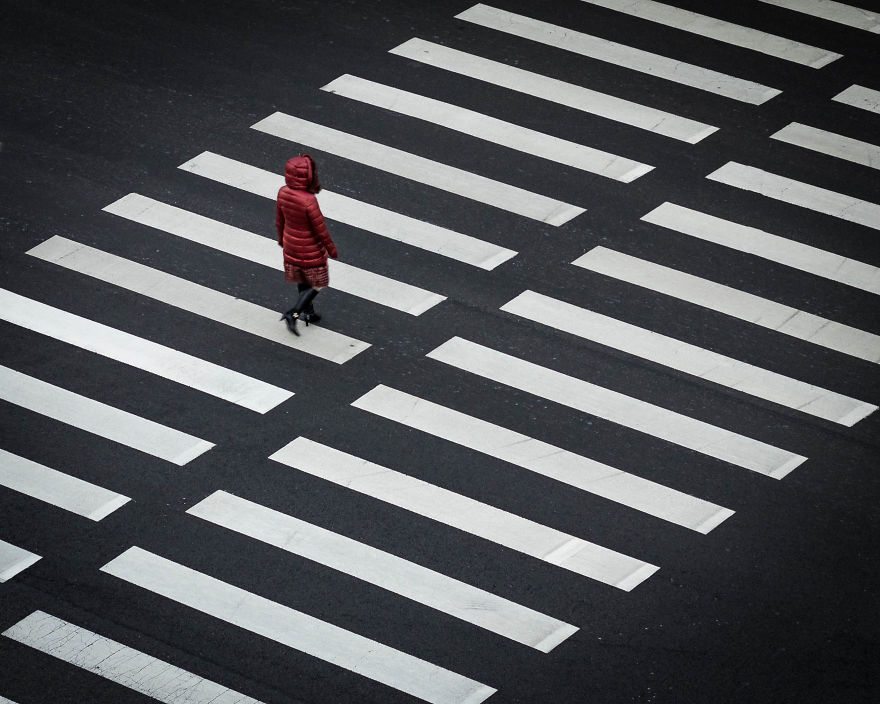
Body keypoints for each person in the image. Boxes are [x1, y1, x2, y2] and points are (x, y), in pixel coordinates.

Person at [276, 154, 338, 336]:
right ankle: (293, 313)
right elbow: (320, 229)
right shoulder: (308, 200)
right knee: (318, 284)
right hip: (310, 248)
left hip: (290, 244)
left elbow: (279, 220)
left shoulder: (283, 192)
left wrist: (281, 239)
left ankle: (309, 313)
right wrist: (331, 249)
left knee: (302, 280)